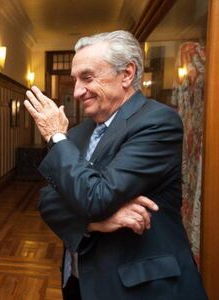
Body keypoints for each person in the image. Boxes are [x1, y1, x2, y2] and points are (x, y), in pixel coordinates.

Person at [24, 30, 207, 300]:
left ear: (127, 74)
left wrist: (55, 136)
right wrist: (96, 224)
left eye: (87, 78)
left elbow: (97, 197)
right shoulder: (76, 133)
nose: (76, 91)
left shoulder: (157, 123)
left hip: (141, 287)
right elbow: (48, 202)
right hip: (80, 283)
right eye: (75, 80)